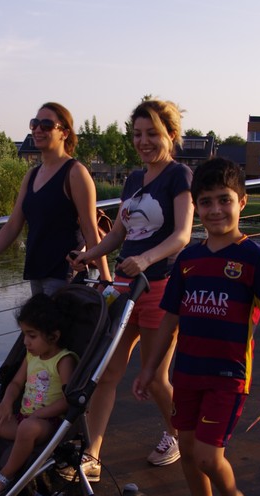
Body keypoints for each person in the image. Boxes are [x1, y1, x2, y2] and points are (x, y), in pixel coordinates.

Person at [132, 158, 260, 496]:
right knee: (187, 451)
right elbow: (170, 320)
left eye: (224, 200)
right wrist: (149, 370)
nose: (215, 210)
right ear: (196, 206)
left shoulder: (255, 258)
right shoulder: (188, 259)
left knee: (207, 455)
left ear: (242, 202)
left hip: (228, 376)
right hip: (187, 373)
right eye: (206, 202)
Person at [70, 99, 194, 476]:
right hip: (124, 289)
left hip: (160, 287)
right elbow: (119, 234)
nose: (143, 141)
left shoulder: (179, 176)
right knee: (107, 373)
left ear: (171, 135)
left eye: (152, 133)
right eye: (138, 134)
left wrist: (146, 259)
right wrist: (88, 255)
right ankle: (92, 455)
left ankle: (177, 434)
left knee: (154, 378)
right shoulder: (134, 179)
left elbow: (182, 235)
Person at [0, 102, 109, 296]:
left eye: (47, 125)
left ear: (64, 133)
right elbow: (13, 225)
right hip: (36, 271)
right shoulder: (32, 175)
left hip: (63, 273)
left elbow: (90, 229)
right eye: (35, 124)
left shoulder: (75, 173)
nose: (38, 129)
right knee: (38, 317)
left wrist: (105, 278)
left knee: (53, 317)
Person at [0, 293, 78, 495]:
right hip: (22, 420)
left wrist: (39, 414)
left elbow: (68, 399)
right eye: (24, 335)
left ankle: (5, 475)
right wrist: (6, 403)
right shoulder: (31, 356)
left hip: (47, 424)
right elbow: (16, 383)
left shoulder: (63, 360)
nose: (25, 342)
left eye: (32, 336)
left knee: (27, 427)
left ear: (54, 336)